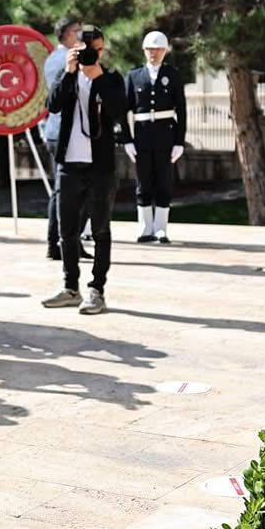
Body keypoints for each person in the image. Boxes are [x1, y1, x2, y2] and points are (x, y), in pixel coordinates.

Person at [42, 26, 126, 314]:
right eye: (88, 50)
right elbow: (52, 105)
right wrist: (69, 72)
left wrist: (97, 78)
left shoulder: (111, 78)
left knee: (101, 229)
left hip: (100, 166)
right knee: (67, 230)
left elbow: (118, 111)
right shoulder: (68, 75)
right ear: (74, 49)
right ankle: (70, 287)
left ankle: (97, 289)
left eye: (98, 50)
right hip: (69, 163)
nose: (94, 54)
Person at [123, 30, 188, 244]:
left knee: (163, 181)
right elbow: (124, 111)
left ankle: (160, 229)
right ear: (144, 50)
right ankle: (145, 228)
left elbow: (182, 110)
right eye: (150, 49)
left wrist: (179, 141)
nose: (154, 53)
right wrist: (127, 139)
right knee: (143, 182)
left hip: (165, 136)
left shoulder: (173, 75)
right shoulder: (133, 76)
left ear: (165, 51)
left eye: (158, 49)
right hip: (141, 136)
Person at [41, 18, 81, 261]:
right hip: (62, 132)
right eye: (78, 31)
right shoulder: (63, 59)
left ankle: (65, 241)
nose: (81, 35)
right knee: (63, 191)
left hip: (60, 132)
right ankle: (56, 242)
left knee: (66, 190)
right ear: (67, 34)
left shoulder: (55, 57)